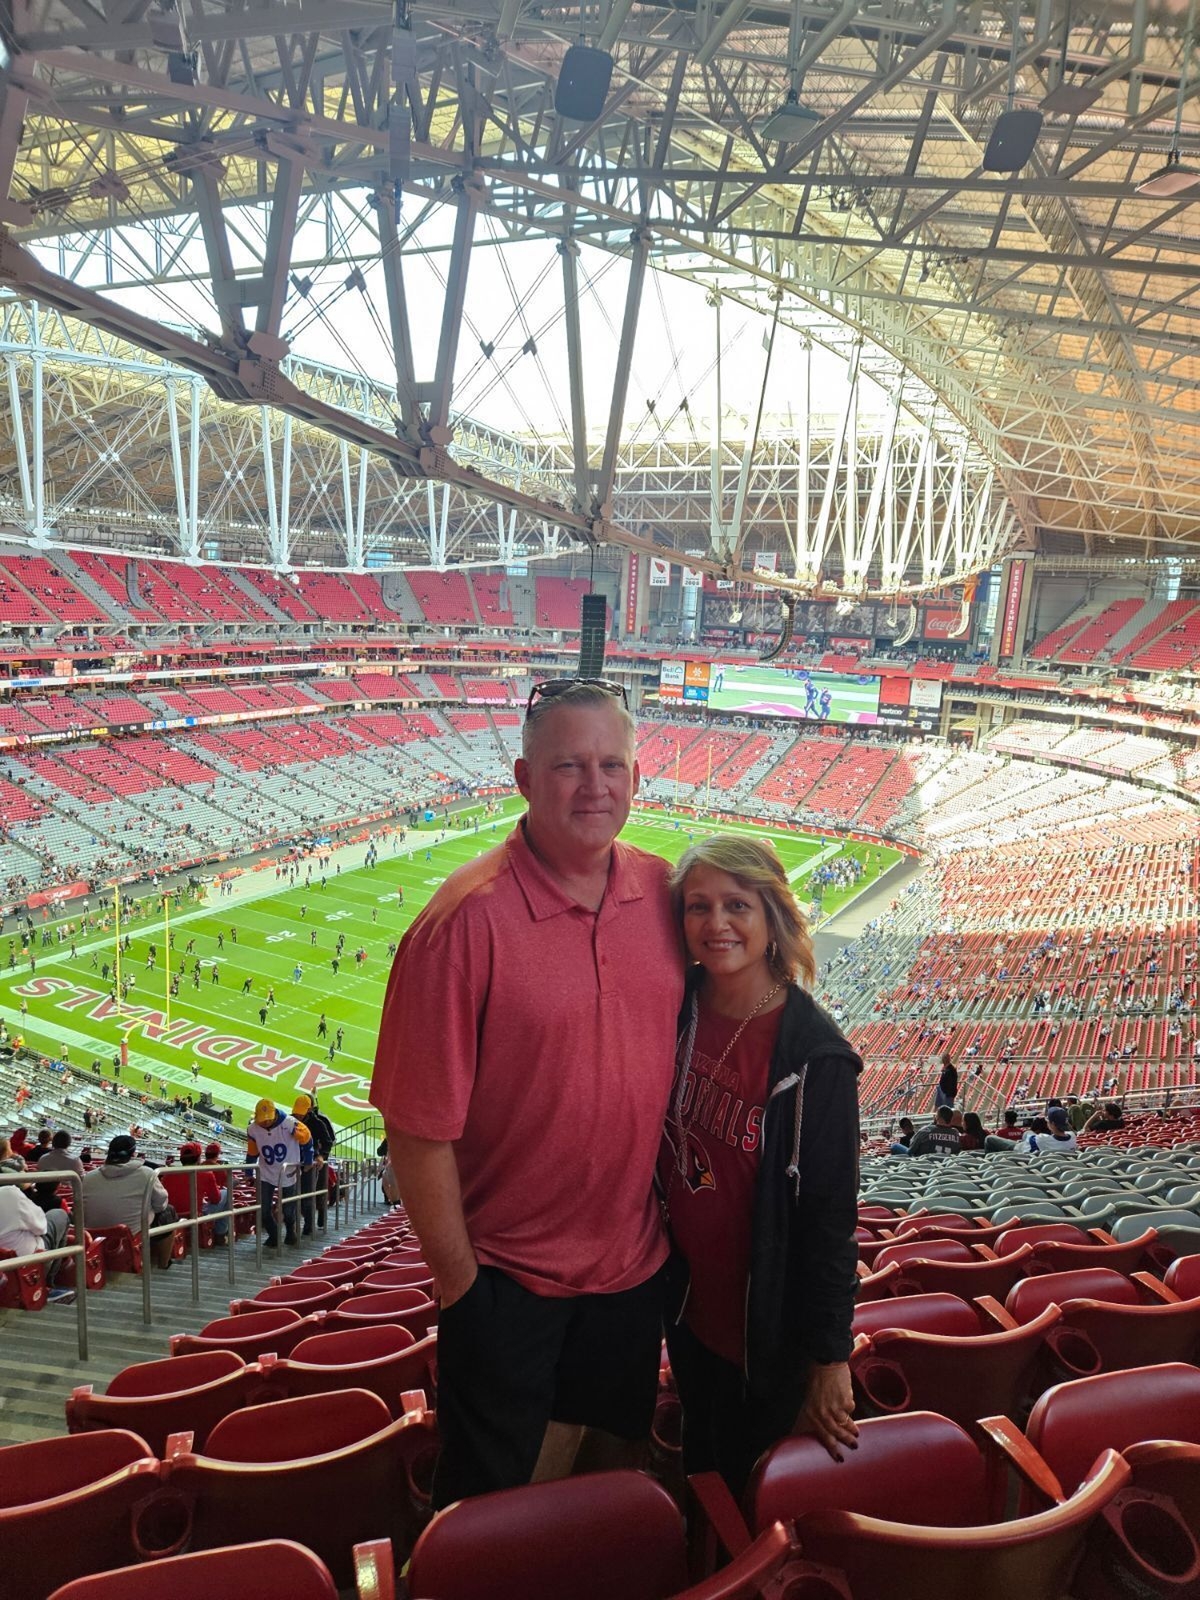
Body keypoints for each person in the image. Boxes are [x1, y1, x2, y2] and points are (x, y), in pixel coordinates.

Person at [370, 677, 683, 1507]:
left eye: (611, 765)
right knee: (492, 1509)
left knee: (606, 1483)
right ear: (522, 779)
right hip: (507, 1282)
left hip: (631, 1270)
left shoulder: (665, 894)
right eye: (568, 766)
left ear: (637, 778)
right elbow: (417, 1129)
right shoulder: (462, 923)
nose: (594, 786)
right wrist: (462, 1289)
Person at [660, 834, 861, 1495]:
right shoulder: (677, 1006)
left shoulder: (817, 1057)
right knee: (700, 1460)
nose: (716, 923)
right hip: (686, 1308)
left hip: (765, 1331)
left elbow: (830, 1218)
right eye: (698, 906)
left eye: (737, 905)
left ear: (772, 916)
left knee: (751, 1488)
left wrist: (830, 1357)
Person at [81, 1135, 177, 1268]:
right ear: (133, 1154)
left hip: (92, 1234)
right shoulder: (147, 1174)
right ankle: (163, 1264)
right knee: (169, 1211)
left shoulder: (88, 1177)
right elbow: (161, 1205)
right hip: (132, 1235)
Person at [246, 1097, 310, 1248]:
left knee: (288, 1210)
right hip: (266, 1173)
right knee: (263, 1209)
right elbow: (252, 1152)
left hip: (287, 1172)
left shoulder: (289, 1123)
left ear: (274, 1114)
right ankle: (274, 1235)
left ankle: (290, 1231)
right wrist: (248, 1172)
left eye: (268, 1119)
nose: (266, 1123)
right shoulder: (253, 1129)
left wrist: (308, 1160)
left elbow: (307, 1139)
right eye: (263, 1120)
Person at [160, 1141, 229, 1242]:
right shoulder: (206, 1173)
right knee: (226, 1193)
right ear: (198, 1158)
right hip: (195, 1215)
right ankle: (220, 1235)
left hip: (173, 1216)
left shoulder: (167, 1173)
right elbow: (216, 1199)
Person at [294, 1092, 335, 1234]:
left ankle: (315, 1221)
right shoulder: (291, 1121)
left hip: (316, 1162)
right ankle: (305, 1223)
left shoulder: (319, 1122)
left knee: (316, 1192)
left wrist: (322, 1156)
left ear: (310, 1109)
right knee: (303, 1194)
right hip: (297, 1161)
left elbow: (328, 1141)